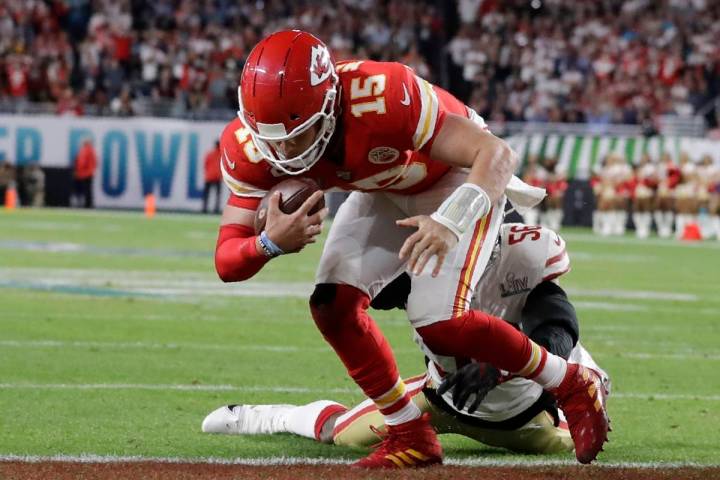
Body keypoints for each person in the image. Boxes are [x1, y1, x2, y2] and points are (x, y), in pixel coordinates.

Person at [214, 30, 609, 468]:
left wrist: (450, 221)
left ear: (328, 106)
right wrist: (269, 243)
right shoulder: (255, 145)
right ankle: (409, 434)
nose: (284, 151)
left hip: (458, 178)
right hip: (385, 189)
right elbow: (227, 261)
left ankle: (571, 381)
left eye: (298, 135)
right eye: (272, 138)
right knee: (331, 305)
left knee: (437, 318)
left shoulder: (383, 95)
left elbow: (495, 154)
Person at [203, 224, 611, 457]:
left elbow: (557, 325)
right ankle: (265, 416)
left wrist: (502, 365)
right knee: (342, 434)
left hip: (530, 413)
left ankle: (590, 376)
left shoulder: (520, 257)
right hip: (443, 397)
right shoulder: (423, 251)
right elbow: (364, 293)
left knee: (575, 437)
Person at [73, 138, 97, 208]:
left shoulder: (85, 150)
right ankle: (89, 204)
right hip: (89, 173)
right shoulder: (92, 150)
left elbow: (81, 162)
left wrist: (78, 171)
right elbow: (95, 162)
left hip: (84, 173)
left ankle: (86, 205)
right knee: (88, 190)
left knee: (83, 190)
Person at [203, 140, 222, 214]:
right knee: (217, 195)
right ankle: (216, 209)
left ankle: (204, 209)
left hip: (209, 177)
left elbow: (205, 164)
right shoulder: (221, 154)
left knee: (206, 194)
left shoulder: (209, 154)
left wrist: (207, 173)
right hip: (217, 177)